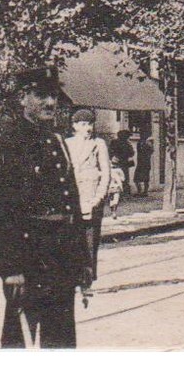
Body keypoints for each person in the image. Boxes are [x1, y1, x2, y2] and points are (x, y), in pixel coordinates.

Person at [0, 68, 87, 348]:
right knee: (19, 340)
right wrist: (11, 267)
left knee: (62, 338)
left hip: (62, 256)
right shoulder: (7, 144)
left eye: (53, 95)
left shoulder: (57, 142)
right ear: (22, 98)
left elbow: (71, 204)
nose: (50, 103)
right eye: (40, 95)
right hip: (28, 256)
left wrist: (82, 263)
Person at [65, 108, 111, 299]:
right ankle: (72, 280)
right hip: (71, 200)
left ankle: (86, 282)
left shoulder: (98, 144)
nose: (87, 128)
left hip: (91, 198)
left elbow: (106, 173)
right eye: (83, 124)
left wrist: (98, 198)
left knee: (90, 241)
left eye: (90, 124)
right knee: (71, 241)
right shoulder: (66, 144)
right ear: (74, 126)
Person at [110, 129, 135, 196]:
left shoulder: (114, 142)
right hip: (123, 163)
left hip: (117, 162)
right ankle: (124, 193)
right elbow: (131, 153)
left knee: (117, 178)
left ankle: (118, 193)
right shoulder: (127, 143)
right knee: (124, 177)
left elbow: (111, 151)